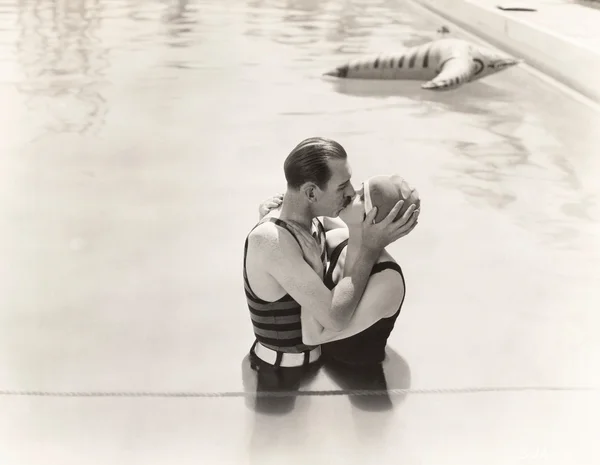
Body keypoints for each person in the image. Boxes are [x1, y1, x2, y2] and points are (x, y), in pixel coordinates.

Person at [243, 137, 419, 409]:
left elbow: (350, 229)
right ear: (312, 193)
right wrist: (370, 247)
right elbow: (332, 318)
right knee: (274, 448)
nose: (350, 192)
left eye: (355, 187)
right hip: (277, 376)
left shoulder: (315, 222)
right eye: (343, 186)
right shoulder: (271, 241)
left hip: (313, 368)